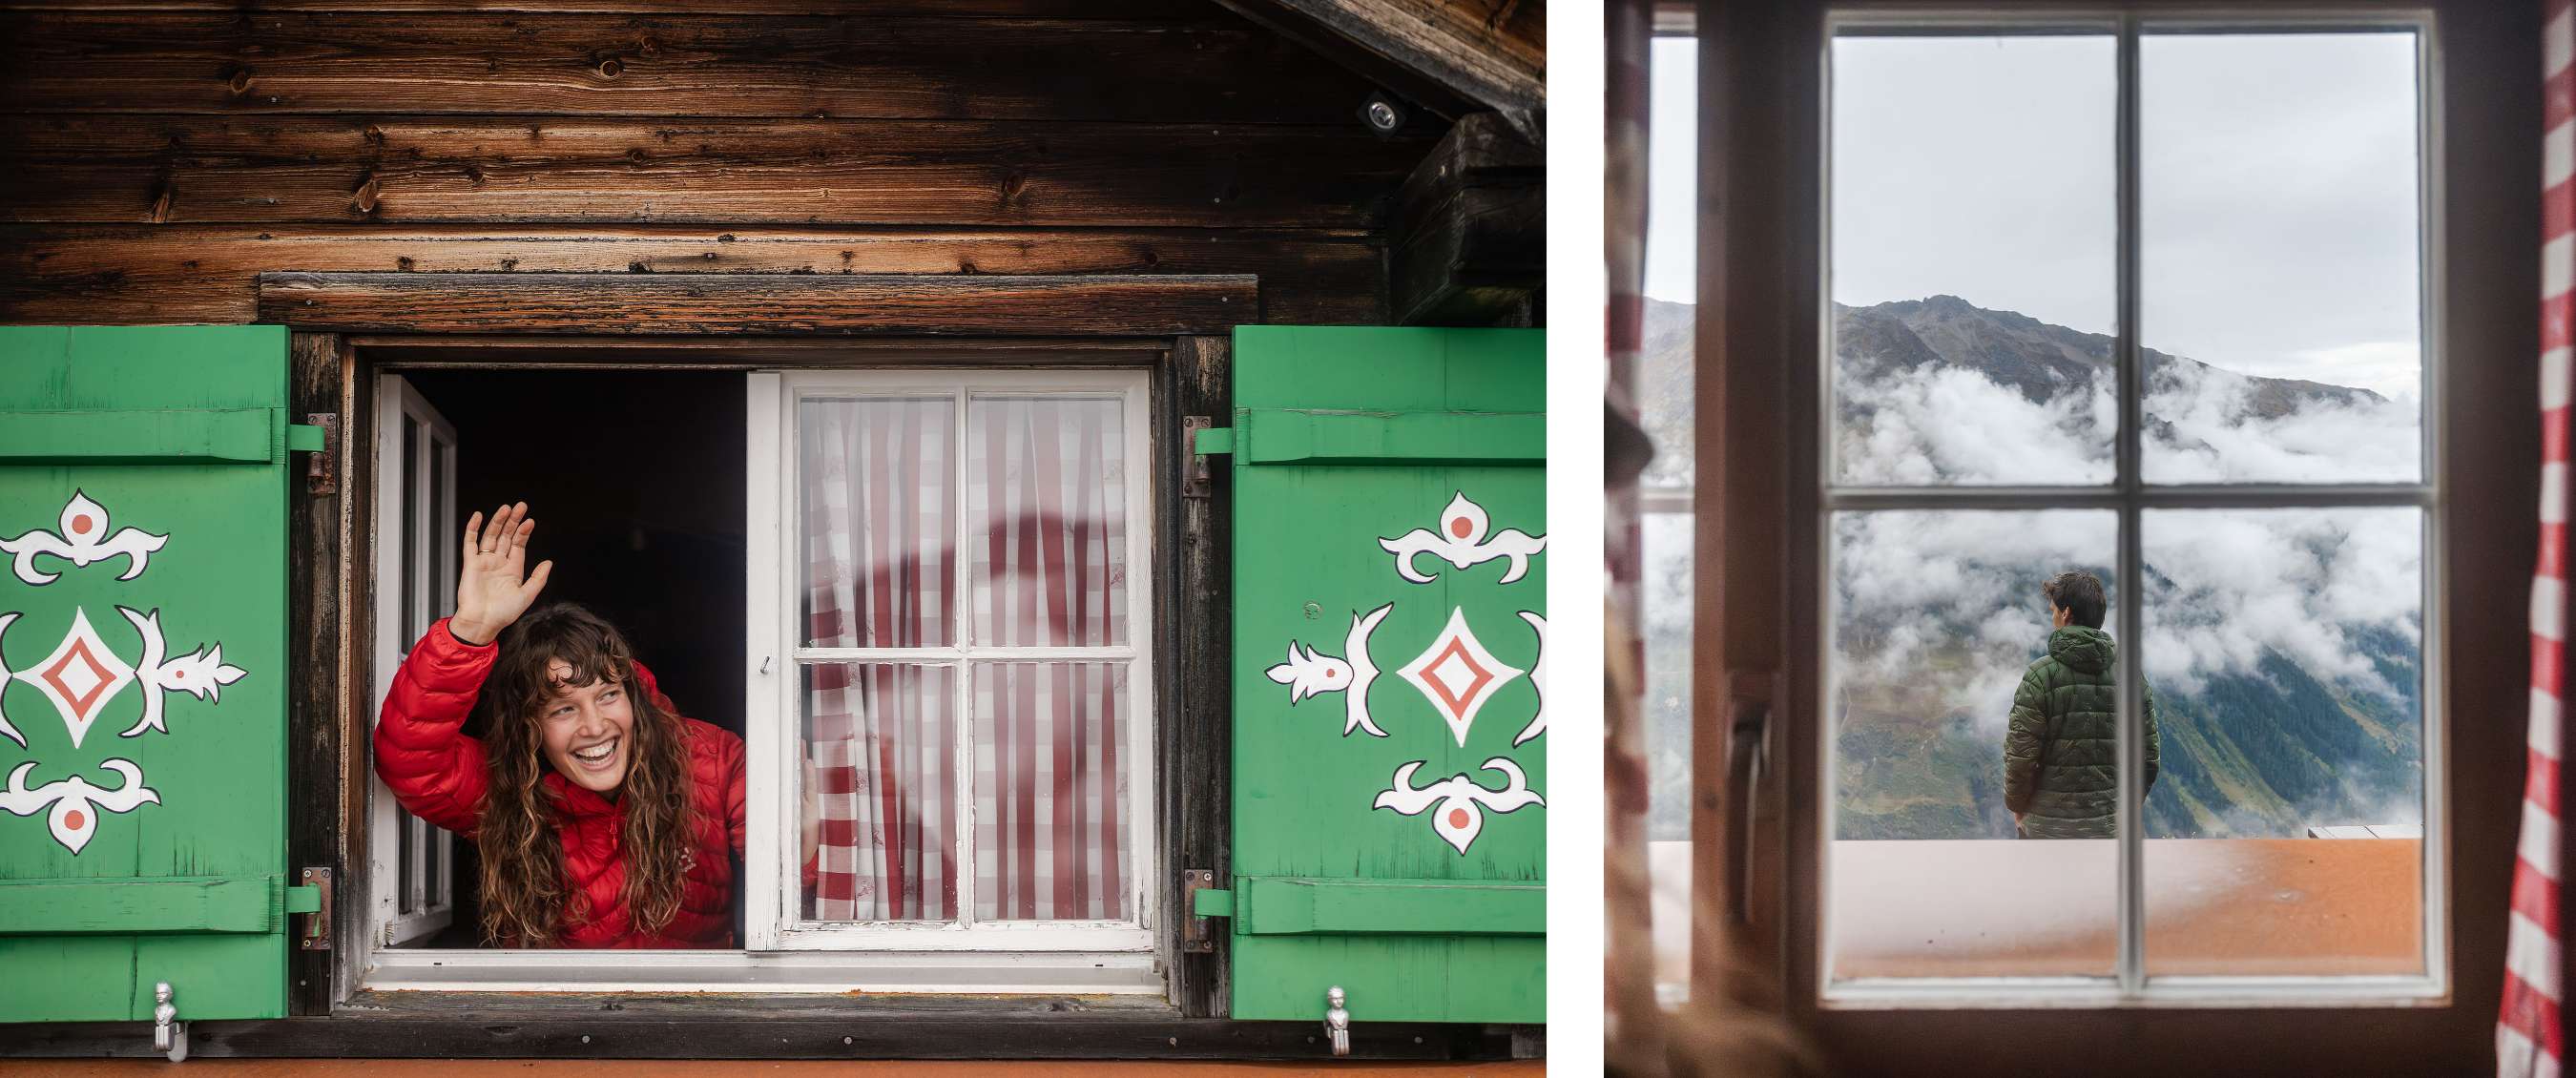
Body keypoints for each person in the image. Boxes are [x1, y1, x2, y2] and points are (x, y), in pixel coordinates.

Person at [375, 503, 807, 947]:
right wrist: (470, 632)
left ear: (633, 698)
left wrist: (804, 846)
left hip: (694, 1011)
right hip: (558, 1013)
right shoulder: (508, 782)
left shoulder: (710, 758)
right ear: (531, 727)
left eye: (608, 695)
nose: (594, 726)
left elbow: (797, 886)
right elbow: (410, 761)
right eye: (563, 709)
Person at [2003, 570, 2159, 840]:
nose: (2052, 618)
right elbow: (2148, 757)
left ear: (2066, 613)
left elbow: (2021, 757)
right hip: (2114, 834)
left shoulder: (2040, 677)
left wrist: (2017, 806)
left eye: (2053, 610)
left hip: (2047, 833)